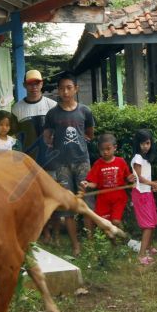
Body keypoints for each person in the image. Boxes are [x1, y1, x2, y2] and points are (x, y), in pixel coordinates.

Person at [43, 72, 96, 257]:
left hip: (82, 162)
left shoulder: (84, 111)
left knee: (87, 204)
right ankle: (75, 246)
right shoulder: (52, 114)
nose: (65, 92)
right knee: (67, 207)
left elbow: (90, 132)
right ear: (58, 91)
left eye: (69, 87)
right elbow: (47, 136)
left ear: (76, 89)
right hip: (62, 165)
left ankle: (90, 243)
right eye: (62, 88)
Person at [81, 133, 134, 229]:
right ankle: (115, 241)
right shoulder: (98, 164)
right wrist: (87, 184)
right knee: (104, 223)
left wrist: (131, 178)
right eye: (102, 150)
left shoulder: (121, 161)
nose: (105, 152)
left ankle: (123, 237)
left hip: (119, 197)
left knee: (115, 221)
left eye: (108, 149)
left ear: (115, 148)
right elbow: (94, 184)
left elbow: (128, 176)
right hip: (103, 198)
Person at [131, 129, 157, 265]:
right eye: (142, 143)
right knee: (148, 225)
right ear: (137, 144)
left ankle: (149, 247)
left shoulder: (145, 158)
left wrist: (152, 187)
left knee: (153, 221)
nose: (145, 146)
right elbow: (141, 178)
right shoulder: (138, 158)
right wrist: (155, 184)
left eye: (148, 143)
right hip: (140, 194)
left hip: (147, 193)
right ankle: (142, 254)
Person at [11, 69, 56, 164]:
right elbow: (14, 137)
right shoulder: (16, 108)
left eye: (37, 83)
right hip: (28, 162)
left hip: (51, 160)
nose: (34, 87)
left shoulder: (52, 105)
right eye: (30, 83)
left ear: (41, 84)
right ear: (24, 85)